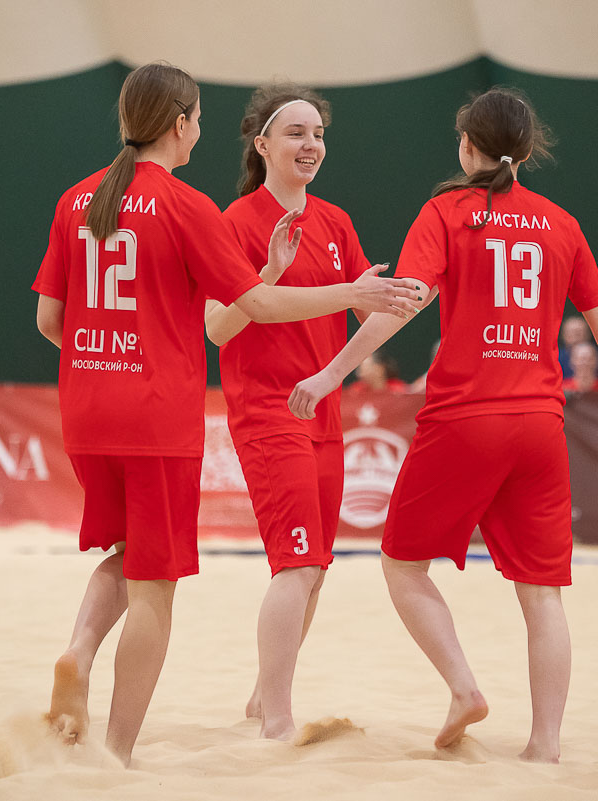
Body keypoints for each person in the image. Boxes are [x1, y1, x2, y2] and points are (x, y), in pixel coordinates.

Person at [31, 62, 420, 766]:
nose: (199, 132)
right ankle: (118, 754)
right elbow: (246, 313)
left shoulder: (74, 198)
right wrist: (346, 293)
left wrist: (108, 356)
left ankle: (79, 650)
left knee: (129, 553)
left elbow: (50, 322)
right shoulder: (191, 207)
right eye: (198, 120)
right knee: (156, 582)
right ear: (181, 124)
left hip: (87, 408)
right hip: (163, 413)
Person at [287, 87, 598, 761]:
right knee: (544, 597)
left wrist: (330, 374)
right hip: (540, 426)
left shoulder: (445, 212)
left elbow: (402, 304)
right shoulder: (561, 223)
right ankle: (545, 744)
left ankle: (464, 686)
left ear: (467, 145)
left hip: (465, 419)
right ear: (526, 150)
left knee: (402, 564)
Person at [202, 84, 375, 740]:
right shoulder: (236, 222)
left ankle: (259, 698)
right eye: (297, 133)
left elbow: (366, 305)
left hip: (323, 413)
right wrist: (270, 273)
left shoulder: (336, 222)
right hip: (267, 410)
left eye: (319, 134)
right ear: (263, 144)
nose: (312, 144)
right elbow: (217, 329)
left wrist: (405, 291)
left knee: (315, 569)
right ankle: (277, 720)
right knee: (296, 564)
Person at [559, 313, 598, 383]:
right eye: (571, 333)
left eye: (579, 333)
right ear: (564, 335)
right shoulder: (557, 359)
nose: (575, 337)